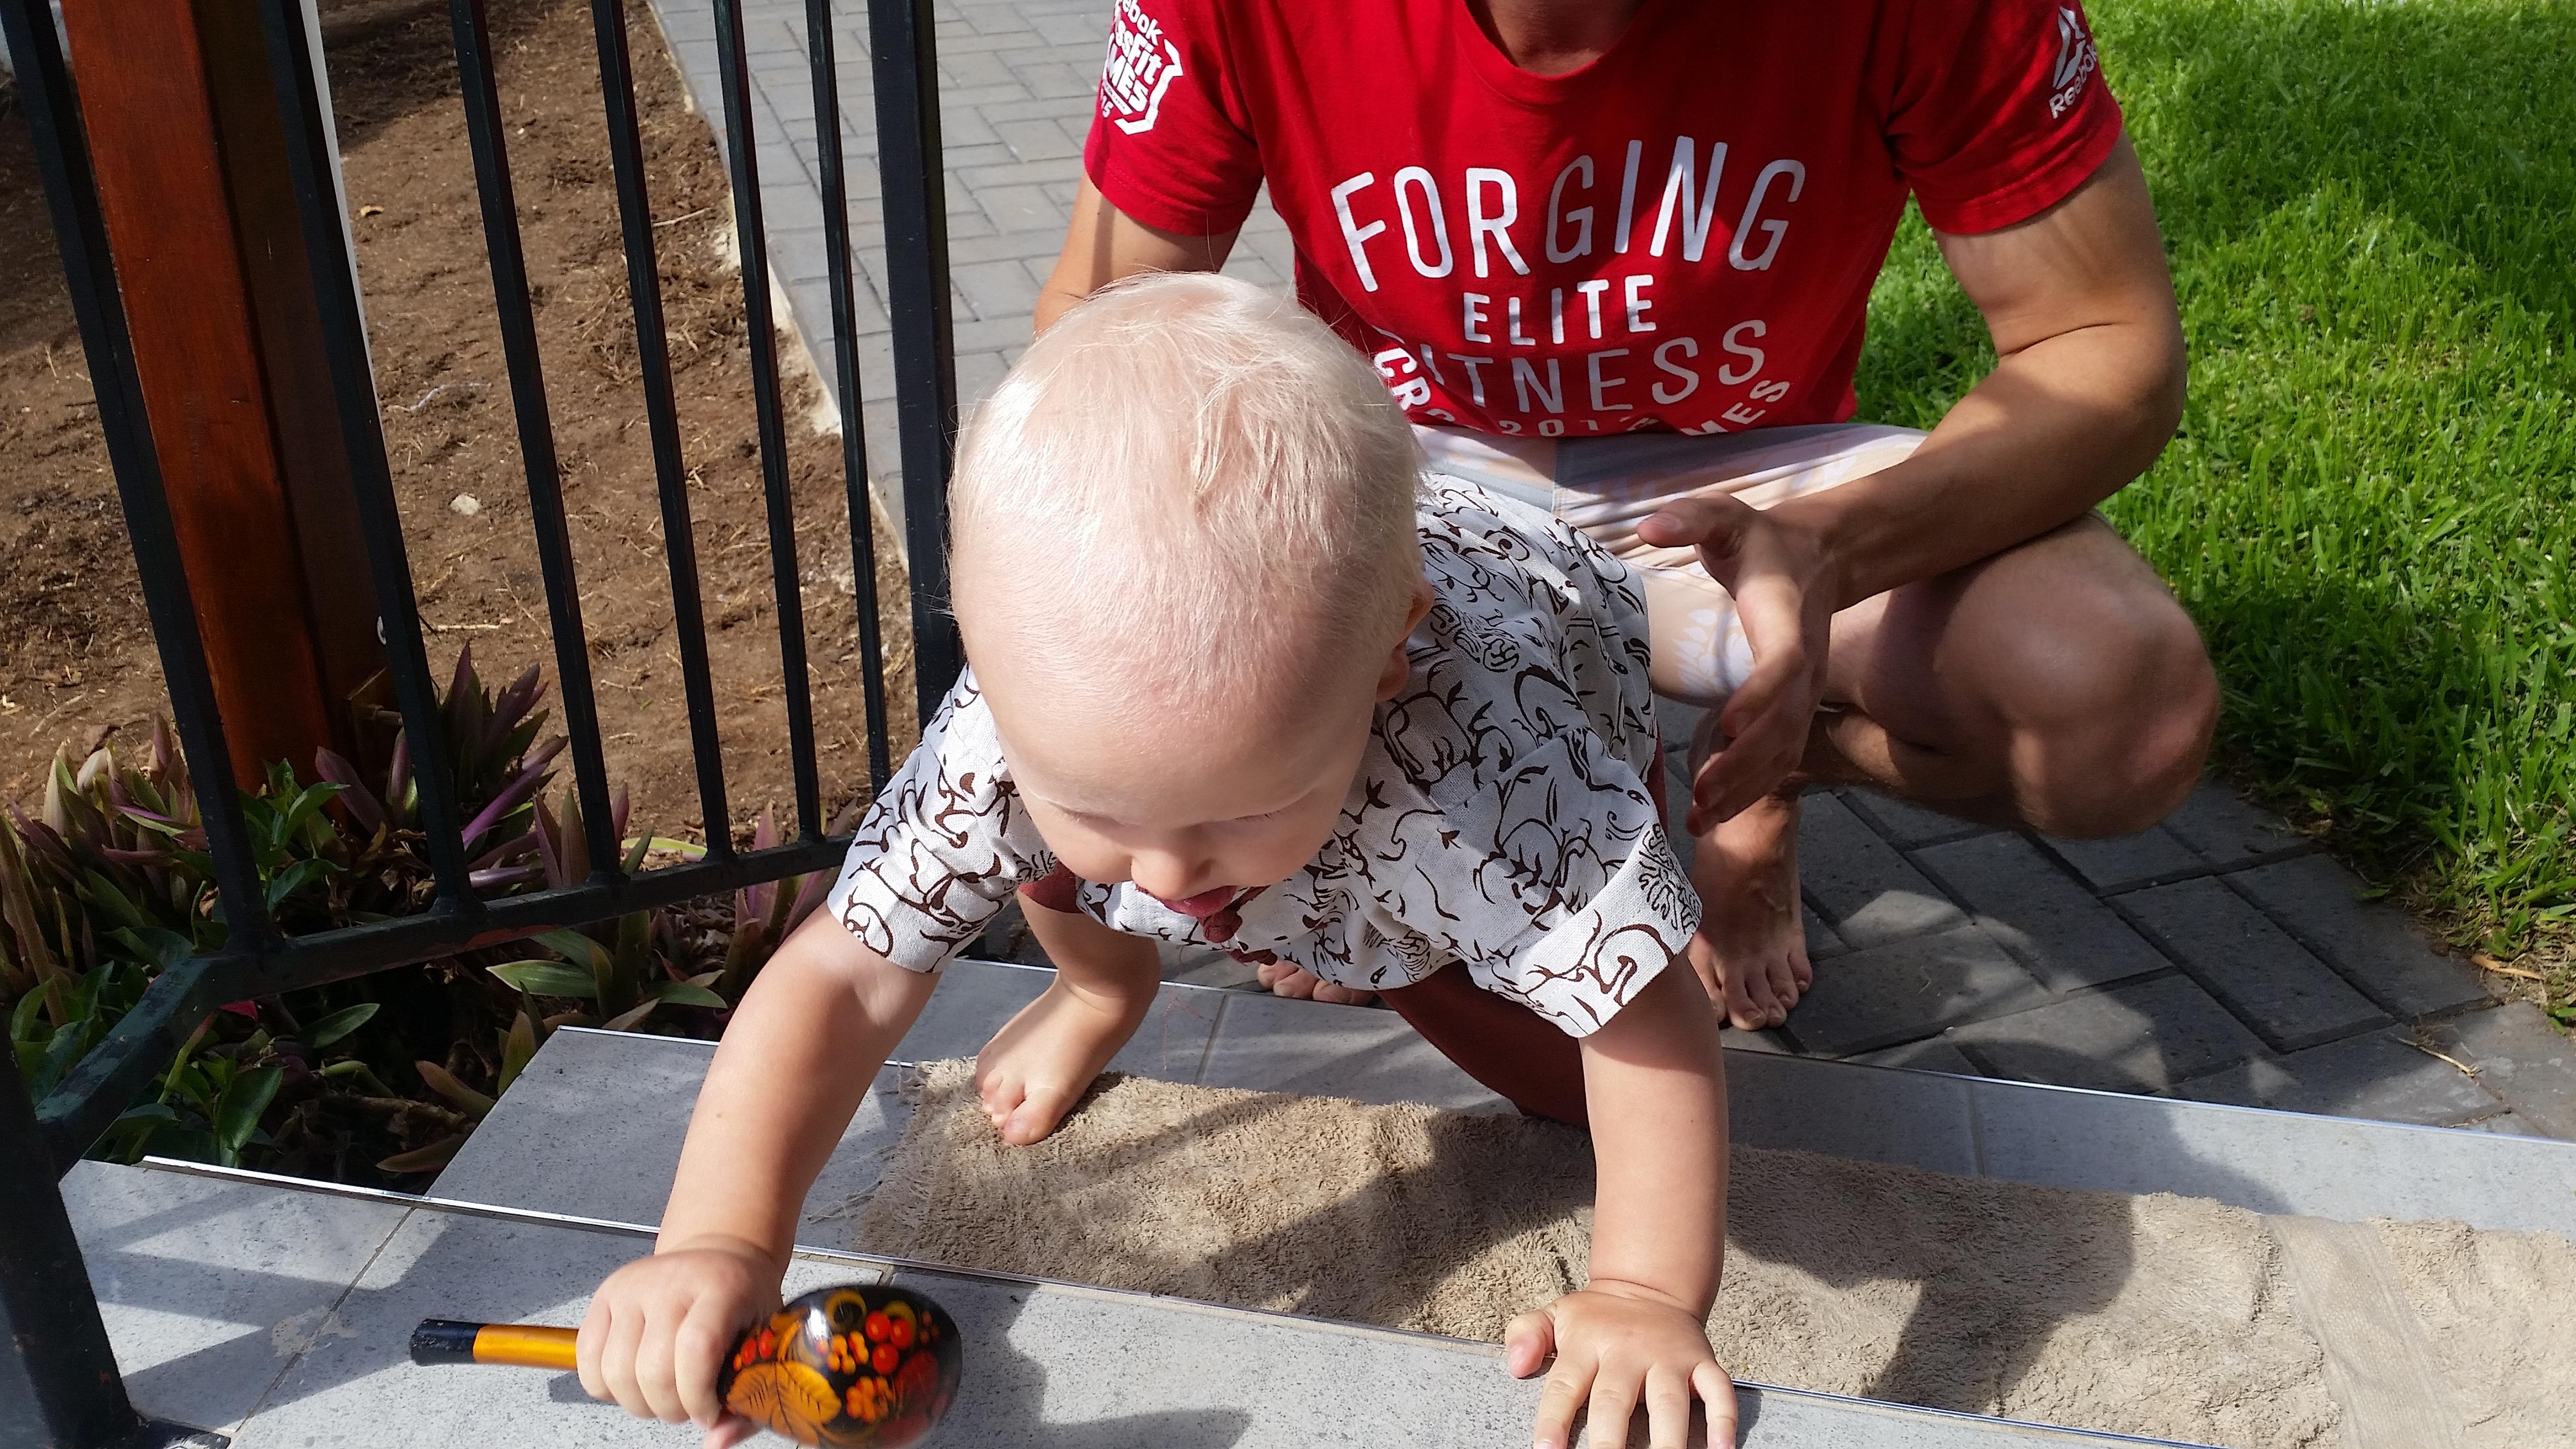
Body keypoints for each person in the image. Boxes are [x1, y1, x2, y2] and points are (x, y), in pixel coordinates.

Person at [576, 274, 1736, 1449]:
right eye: (1096, 800)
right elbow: (842, 975)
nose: (1170, 880)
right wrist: (720, 1239)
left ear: (1385, 660)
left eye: (1245, 807)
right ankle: (1101, 987)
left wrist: (1644, 1291)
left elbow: (1650, 1021)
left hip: (1548, 650)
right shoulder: (1032, 722)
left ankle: (1406, 927)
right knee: (1030, 847)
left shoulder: (1499, 780)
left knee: (1565, 1075)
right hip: (1329, 778)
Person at [1040, 0, 2220, 1033]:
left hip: (1748, 475)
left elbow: (2101, 342)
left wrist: (1834, 545)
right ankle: (1375, 825)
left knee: (2125, 719)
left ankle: (1775, 772)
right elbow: (1100, 328)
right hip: (1415, 466)